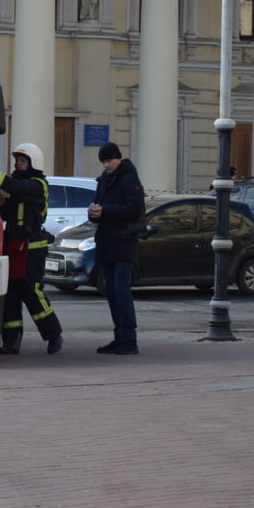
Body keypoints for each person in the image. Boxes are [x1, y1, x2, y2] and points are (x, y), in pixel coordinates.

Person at [0, 143, 64, 355]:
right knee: (9, 294)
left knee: (32, 293)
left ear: (33, 163)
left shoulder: (38, 184)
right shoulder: (13, 185)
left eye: (22, 160)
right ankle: (11, 342)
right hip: (11, 245)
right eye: (17, 160)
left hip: (32, 247)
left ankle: (53, 335)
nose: (18, 164)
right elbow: (8, 212)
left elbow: (17, 188)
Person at [88, 142, 145, 355]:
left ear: (118, 158)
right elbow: (98, 207)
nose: (106, 164)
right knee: (111, 292)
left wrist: (105, 211)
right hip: (107, 241)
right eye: (103, 161)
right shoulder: (104, 180)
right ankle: (119, 338)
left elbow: (135, 208)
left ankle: (129, 339)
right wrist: (93, 212)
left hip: (124, 242)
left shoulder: (129, 178)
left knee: (121, 291)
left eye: (109, 160)